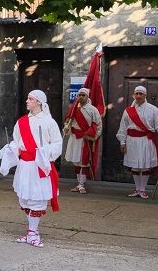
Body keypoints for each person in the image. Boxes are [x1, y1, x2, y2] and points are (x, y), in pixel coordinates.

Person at [8, 89, 63, 247]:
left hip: (39, 165)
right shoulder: (21, 122)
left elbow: (57, 144)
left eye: (30, 99)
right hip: (25, 165)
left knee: (36, 198)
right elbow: (17, 142)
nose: (27, 101)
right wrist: (12, 149)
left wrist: (45, 152)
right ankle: (32, 231)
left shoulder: (49, 122)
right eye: (27, 98)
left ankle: (33, 232)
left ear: (39, 102)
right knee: (25, 197)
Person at [116, 85, 158, 199]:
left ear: (145, 95)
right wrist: (122, 142)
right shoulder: (128, 111)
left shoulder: (153, 109)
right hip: (132, 141)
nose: (138, 96)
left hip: (147, 141)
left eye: (140, 94)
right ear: (134, 95)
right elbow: (123, 127)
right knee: (135, 167)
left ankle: (143, 190)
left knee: (145, 166)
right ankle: (137, 189)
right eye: (136, 93)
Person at [64, 88, 102, 194]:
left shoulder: (93, 110)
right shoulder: (73, 108)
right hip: (74, 137)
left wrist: (93, 135)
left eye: (83, 95)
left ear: (87, 96)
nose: (81, 97)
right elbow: (68, 122)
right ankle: (78, 183)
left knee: (84, 161)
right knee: (76, 161)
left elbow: (98, 124)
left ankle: (82, 184)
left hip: (85, 138)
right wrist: (66, 128)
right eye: (79, 95)